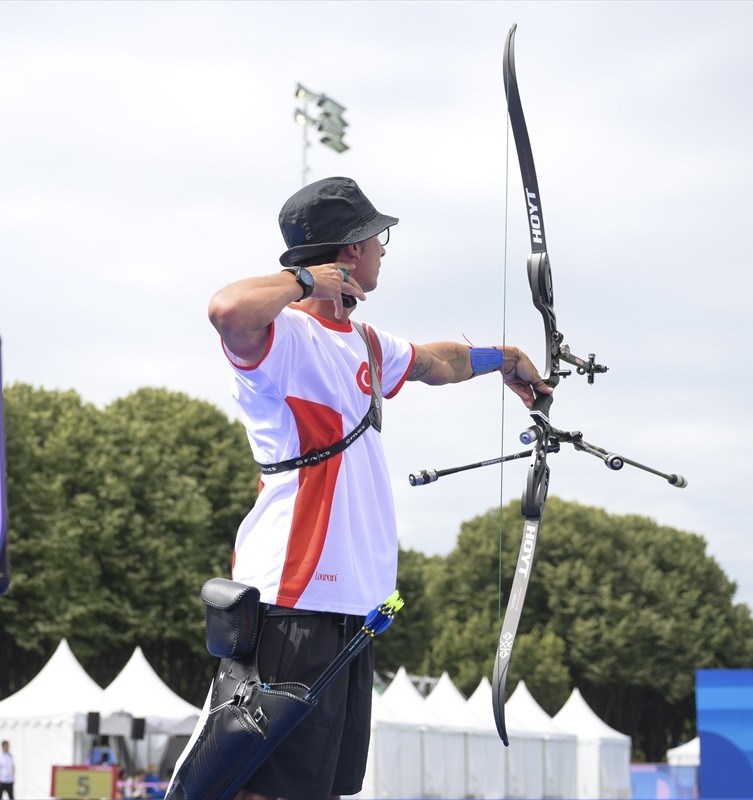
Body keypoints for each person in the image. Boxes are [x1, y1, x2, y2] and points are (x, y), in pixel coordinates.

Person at [206, 176, 550, 800]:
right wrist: (308, 281)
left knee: (323, 785)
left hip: (351, 605)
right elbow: (227, 310)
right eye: (376, 237)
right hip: (294, 597)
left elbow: (434, 363)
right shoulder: (282, 338)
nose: (384, 249)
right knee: (263, 786)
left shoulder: (364, 341)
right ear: (349, 252)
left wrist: (506, 359)